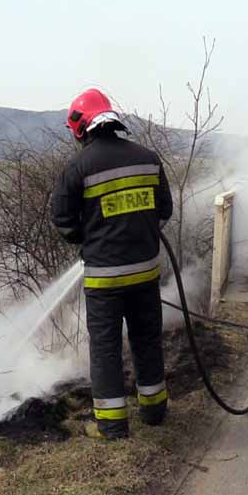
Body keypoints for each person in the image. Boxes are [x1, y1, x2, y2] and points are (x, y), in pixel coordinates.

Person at [50, 88, 174, 440]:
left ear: (80, 127)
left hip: (104, 279)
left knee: (106, 348)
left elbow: (63, 221)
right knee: (147, 339)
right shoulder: (148, 158)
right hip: (146, 272)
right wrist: (139, 234)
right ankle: (154, 410)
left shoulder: (78, 167)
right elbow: (164, 211)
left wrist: (89, 238)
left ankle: (112, 424)